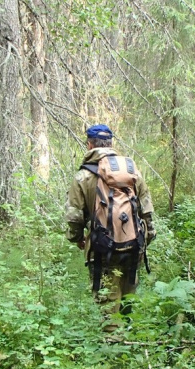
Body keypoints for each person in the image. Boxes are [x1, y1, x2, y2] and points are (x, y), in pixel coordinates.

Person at [64, 124, 155, 329]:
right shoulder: (131, 170)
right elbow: (146, 207)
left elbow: (74, 215)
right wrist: (146, 237)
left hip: (102, 247)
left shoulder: (83, 176)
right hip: (132, 244)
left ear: (90, 145)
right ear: (111, 143)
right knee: (128, 297)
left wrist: (77, 238)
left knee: (108, 303)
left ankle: (114, 346)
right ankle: (130, 341)